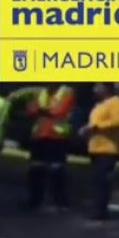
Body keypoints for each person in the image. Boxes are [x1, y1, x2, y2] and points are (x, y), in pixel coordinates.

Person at [78, 82, 119, 221]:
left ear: (107, 89)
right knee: (97, 180)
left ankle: (100, 211)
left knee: (102, 180)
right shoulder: (100, 105)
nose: (95, 90)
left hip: (108, 148)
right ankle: (98, 208)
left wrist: (94, 127)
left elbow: (117, 121)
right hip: (96, 147)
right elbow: (94, 123)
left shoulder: (116, 102)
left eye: (98, 87)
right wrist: (87, 129)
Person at [23, 83, 75, 211]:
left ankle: (59, 202)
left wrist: (41, 110)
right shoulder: (41, 93)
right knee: (36, 169)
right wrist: (43, 111)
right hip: (40, 136)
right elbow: (31, 110)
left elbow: (60, 111)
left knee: (57, 170)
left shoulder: (66, 92)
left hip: (57, 136)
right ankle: (35, 200)